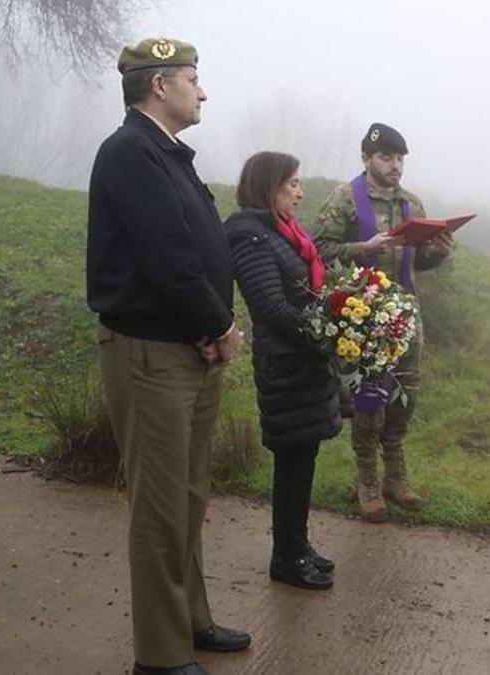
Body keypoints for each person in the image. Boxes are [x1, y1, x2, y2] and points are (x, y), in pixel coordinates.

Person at [86, 37, 250, 675]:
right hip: (152, 354)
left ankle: (190, 620)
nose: (202, 90)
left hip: (188, 348)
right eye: (193, 78)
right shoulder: (130, 152)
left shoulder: (168, 155)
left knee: (188, 494)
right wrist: (218, 323)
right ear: (160, 85)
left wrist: (207, 331)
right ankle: (160, 657)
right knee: (159, 507)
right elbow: (167, 258)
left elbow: (190, 247)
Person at [314, 123, 453, 523]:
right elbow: (319, 251)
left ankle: (396, 476)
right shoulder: (346, 199)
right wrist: (364, 248)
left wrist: (439, 252)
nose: (395, 166)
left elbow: (419, 259)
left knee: (407, 393)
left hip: (407, 312)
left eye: (399, 158)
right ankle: (368, 481)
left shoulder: (411, 204)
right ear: (366, 159)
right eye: (386, 158)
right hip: (364, 314)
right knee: (370, 397)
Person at [223, 152, 341, 590]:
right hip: (286, 365)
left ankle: (297, 544)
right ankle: (286, 557)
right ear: (268, 186)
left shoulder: (284, 233)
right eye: (292, 183)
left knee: (302, 457)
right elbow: (270, 307)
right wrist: (329, 327)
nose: (299, 191)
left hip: (304, 362)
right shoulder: (250, 236)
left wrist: (340, 311)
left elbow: (305, 290)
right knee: (292, 459)